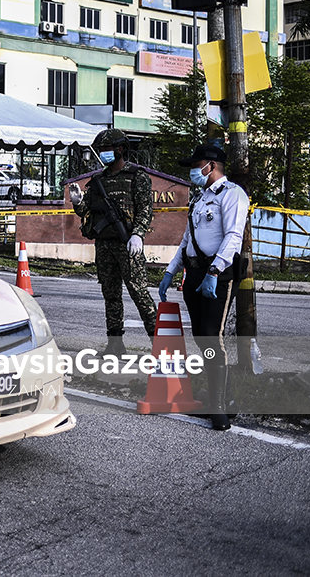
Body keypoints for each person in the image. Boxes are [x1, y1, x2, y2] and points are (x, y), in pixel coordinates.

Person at [157, 143, 249, 431]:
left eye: (197, 165)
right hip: (195, 274)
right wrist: (171, 271)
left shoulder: (233, 194)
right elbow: (188, 240)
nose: (194, 171)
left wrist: (214, 270)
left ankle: (218, 406)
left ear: (211, 165)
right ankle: (226, 398)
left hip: (218, 274)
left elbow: (234, 235)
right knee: (202, 337)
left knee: (212, 335)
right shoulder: (199, 199)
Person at [69, 129, 156, 356]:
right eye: (102, 151)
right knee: (111, 295)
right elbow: (85, 211)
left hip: (128, 244)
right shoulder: (99, 181)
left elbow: (146, 209)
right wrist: (78, 202)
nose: (104, 154)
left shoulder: (137, 177)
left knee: (139, 293)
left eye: (107, 150)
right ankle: (115, 343)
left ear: (120, 149)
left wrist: (138, 233)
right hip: (104, 245)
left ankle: (160, 345)